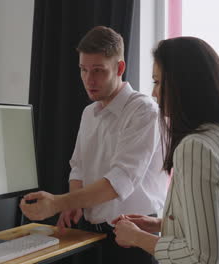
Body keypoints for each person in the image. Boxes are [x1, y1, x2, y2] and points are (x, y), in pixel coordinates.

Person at [20, 26, 167, 263]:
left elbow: (119, 181)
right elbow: (78, 166)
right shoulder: (89, 112)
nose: (89, 79)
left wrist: (58, 203)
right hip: (91, 235)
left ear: (119, 68)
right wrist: (73, 203)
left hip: (134, 240)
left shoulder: (144, 111)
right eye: (83, 70)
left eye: (98, 70)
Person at [111, 37, 219, 263]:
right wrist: (160, 224)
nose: (154, 93)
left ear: (183, 85)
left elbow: (201, 256)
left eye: (158, 83)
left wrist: (137, 237)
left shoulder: (195, 148)